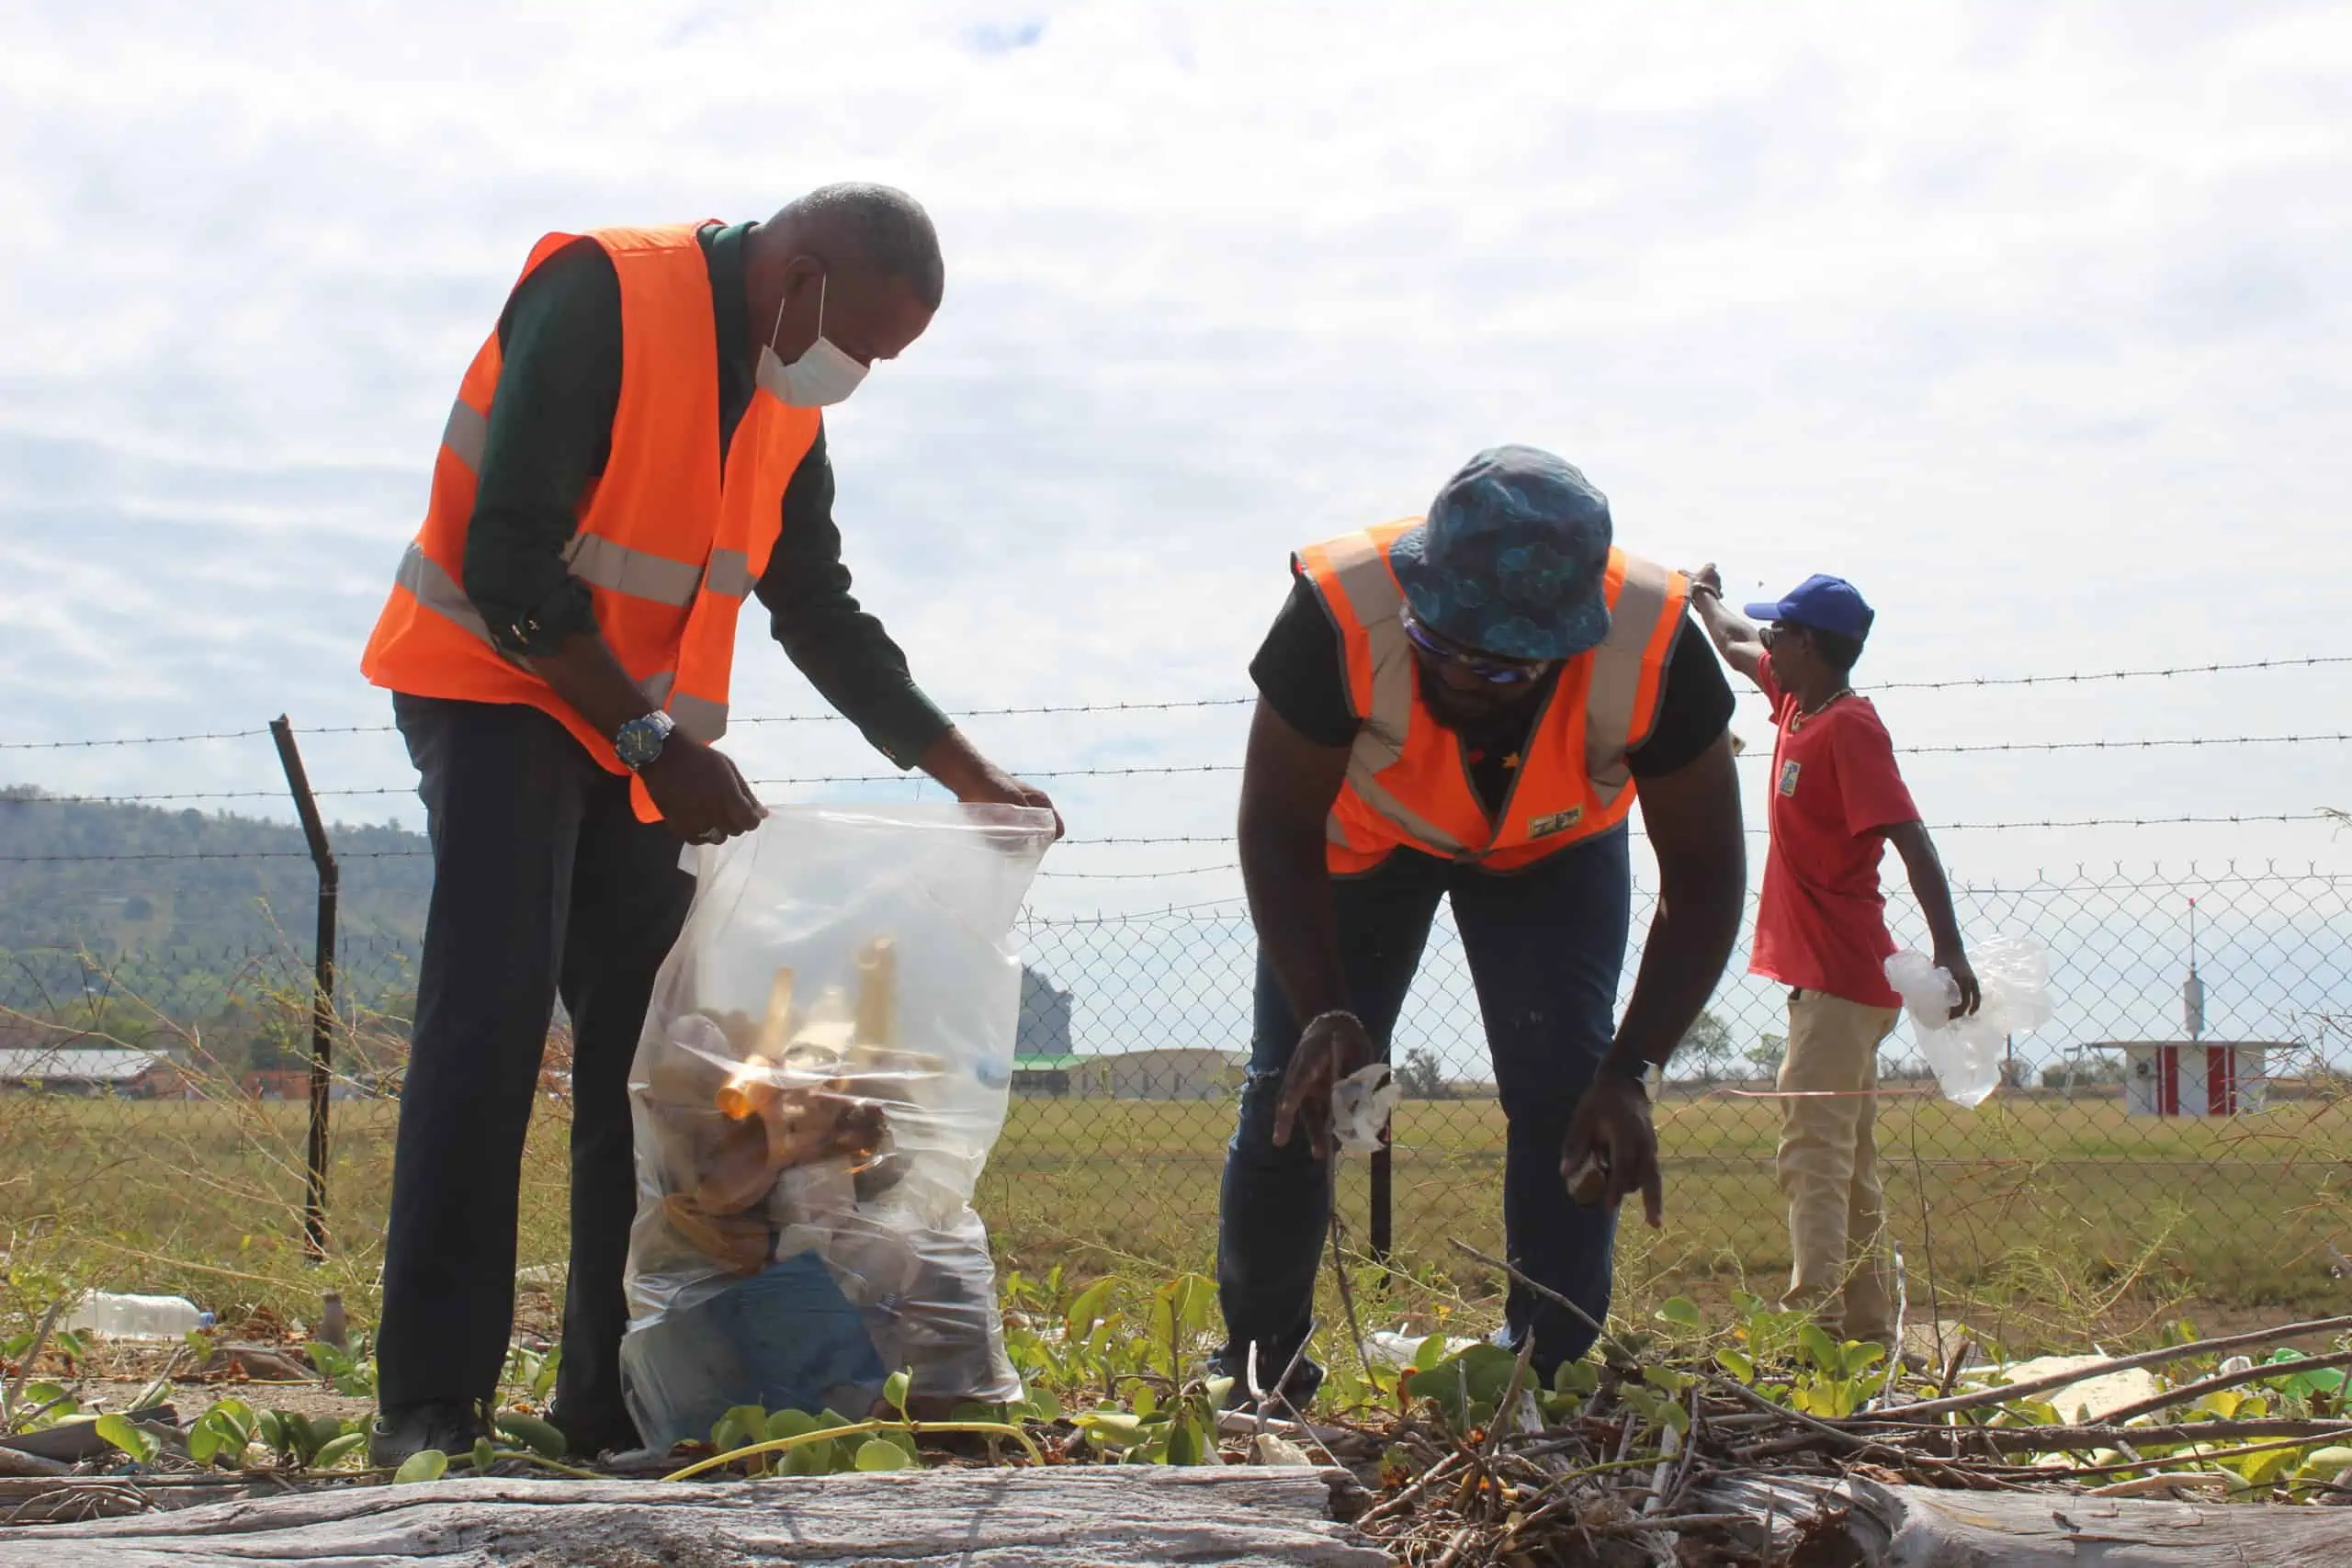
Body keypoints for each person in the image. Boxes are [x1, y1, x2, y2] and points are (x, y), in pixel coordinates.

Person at [357, 184, 1056, 1463]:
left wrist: (967, 771)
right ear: (797, 274)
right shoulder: (604, 298)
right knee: (490, 1025)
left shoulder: (785, 389)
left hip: (636, 735)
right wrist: (649, 738)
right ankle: (428, 1404)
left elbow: (817, 604)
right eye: (857, 342)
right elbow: (507, 556)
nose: (853, 375)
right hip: (506, 691)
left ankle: (608, 1394)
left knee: (655, 1069)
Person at [1221, 446, 1747, 1404]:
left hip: (1553, 848)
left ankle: (1544, 1374)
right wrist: (1325, 1010)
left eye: (1500, 670)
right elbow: (1275, 825)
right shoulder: (1338, 615)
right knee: (1294, 1092)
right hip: (1360, 847)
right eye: (1441, 646)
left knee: (1567, 1094)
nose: (1462, 678)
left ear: (1569, 641)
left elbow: (1707, 876)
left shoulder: (1656, 646)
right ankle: (1260, 1367)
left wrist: (1632, 1069)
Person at [1687, 568, 1977, 1350]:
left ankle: (1811, 1325)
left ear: (1810, 646)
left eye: (1782, 630)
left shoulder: (1849, 727)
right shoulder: (1797, 704)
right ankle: (1864, 1334)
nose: (1769, 639)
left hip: (1842, 981)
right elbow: (1736, 642)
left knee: (1812, 1153)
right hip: (1836, 982)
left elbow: (1909, 837)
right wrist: (1701, 595)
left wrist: (1951, 950)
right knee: (1847, 1166)